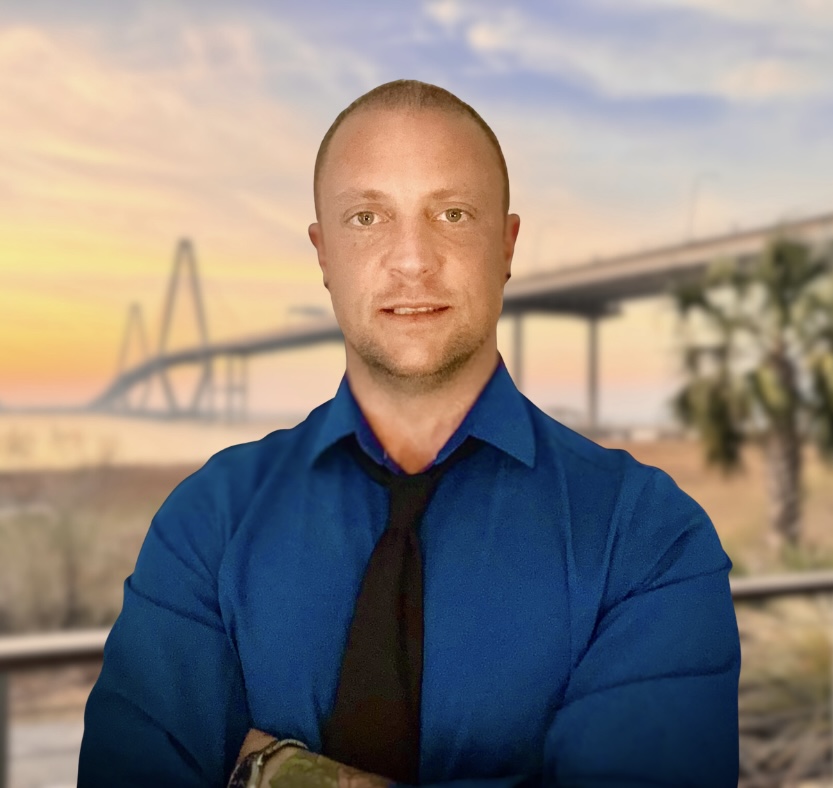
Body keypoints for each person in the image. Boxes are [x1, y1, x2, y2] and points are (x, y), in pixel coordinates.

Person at [78, 79, 740, 787]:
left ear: (507, 244)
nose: (412, 260)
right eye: (367, 218)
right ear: (323, 252)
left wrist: (275, 772)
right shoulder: (209, 519)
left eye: (452, 213)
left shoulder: (647, 537)